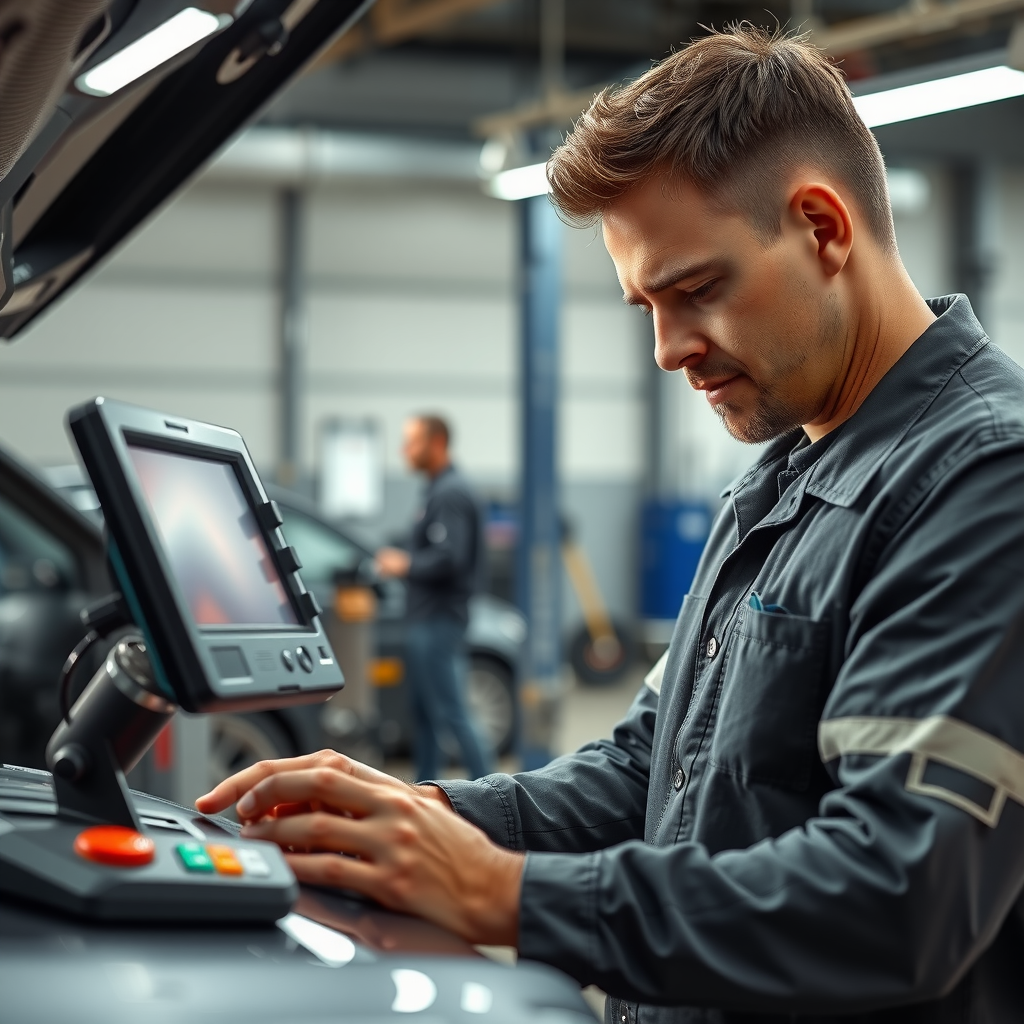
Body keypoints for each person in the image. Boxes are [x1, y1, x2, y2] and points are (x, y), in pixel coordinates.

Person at [197, 26, 1024, 1022]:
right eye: (644, 306)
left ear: (822, 227)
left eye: (695, 290)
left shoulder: (981, 481)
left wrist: (498, 891)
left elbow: (897, 895)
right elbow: (650, 769)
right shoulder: (779, 480)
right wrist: (422, 816)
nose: (669, 350)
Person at [373, 414, 493, 782]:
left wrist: (403, 563)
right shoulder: (437, 489)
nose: (404, 450)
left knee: (452, 711)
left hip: (439, 621)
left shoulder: (450, 493)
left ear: (437, 442)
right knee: (424, 715)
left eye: (412, 441)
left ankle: (493, 794)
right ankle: (425, 792)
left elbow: (450, 558)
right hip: (426, 619)